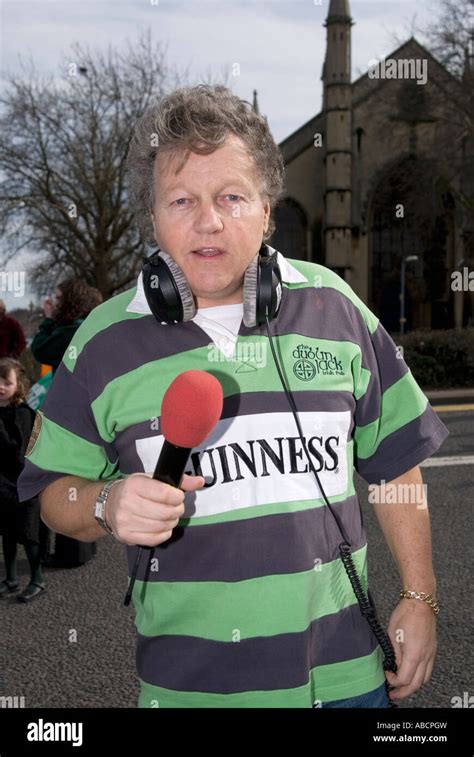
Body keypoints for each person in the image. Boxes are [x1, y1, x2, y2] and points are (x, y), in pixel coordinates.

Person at [18, 85, 448, 708]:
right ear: (154, 216)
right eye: (182, 200)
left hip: (347, 680)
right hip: (191, 689)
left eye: (231, 197)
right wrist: (108, 503)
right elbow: (55, 494)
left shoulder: (337, 307)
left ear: (267, 209)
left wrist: (421, 593)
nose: (208, 221)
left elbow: (395, 463)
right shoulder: (102, 341)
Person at [30, 279, 103, 567]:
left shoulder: (72, 329)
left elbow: (40, 350)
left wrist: (48, 320)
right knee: (84, 475)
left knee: (64, 478)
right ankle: (83, 548)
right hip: (88, 411)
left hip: (70, 415)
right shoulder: (91, 326)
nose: (54, 302)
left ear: (73, 301)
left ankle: (70, 552)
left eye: (59, 298)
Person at [0, 358, 46, 602]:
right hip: (4, 486)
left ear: (18, 385)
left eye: (6, 381)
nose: (0, 386)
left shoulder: (22, 413)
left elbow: (18, 452)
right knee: (6, 533)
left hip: (23, 483)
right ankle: (11, 578)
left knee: (29, 535)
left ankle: (37, 578)